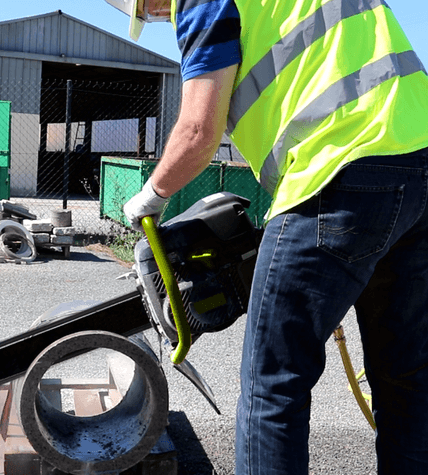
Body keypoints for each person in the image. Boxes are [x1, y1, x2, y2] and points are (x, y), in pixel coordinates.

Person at [105, 0, 428, 473]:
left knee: (272, 385)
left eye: (151, 9)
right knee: (408, 381)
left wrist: (152, 194)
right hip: (418, 171)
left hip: (331, 174)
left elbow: (199, 128)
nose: (160, 16)